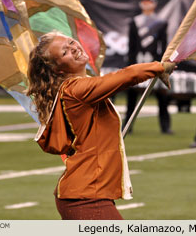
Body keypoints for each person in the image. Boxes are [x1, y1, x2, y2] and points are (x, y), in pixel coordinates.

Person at [26, 32, 168, 220]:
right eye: (64, 52)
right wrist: (160, 67)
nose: (73, 48)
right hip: (86, 198)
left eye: (70, 42)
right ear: (58, 68)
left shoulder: (78, 88)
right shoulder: (75, 90)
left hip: (86, 194)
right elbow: (126, 76)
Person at [124, 0, 172, 134]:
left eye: (149, 1)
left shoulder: (160, 22)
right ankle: (128, 125)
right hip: (138, 62)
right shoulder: (135, 21)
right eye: (144, 1)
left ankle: (165, 126)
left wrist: (162, 64)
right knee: (132, 96)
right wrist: (130, 65)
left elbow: (163, 45)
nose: (147, 4)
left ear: (155, 4)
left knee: (161, 96)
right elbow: (131, 46)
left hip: (154, 62)